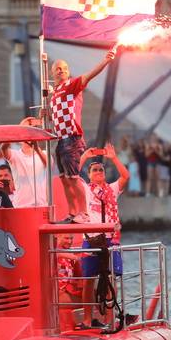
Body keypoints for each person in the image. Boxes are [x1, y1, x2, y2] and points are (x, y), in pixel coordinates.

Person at [47, 49, 117, 222]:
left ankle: (83, 212)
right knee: (64, 179)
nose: (60, 70)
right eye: (57, 68)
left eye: (64, 68)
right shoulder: (55, 93)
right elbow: (57, 116)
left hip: (73, 138)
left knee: (74, 177)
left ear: (68, 71)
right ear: (52, 72)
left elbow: (89, 75)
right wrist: (45, 115)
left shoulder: (72, 85)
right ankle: (72, 212)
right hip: (61, 140)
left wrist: (105, 61)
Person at [78, 143, 129, 329]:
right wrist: (84, 156)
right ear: (89, 174)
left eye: (101, 169)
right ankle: (86, 319)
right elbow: (72, 175)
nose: (98, 172)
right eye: (94, 170)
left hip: (110, 239)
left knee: (110, 279)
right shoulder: (85, 189)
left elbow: (126, 176)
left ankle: (109, 319)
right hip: (90, 239)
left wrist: (113, 158)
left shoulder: (113, 189)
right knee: (88, 280)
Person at [0, 117, 48, 208]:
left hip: (41, 206)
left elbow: (49, 164)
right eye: (26, 133)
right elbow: (3, 148)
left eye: (31, 133)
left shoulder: (44, 154)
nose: (28, 136)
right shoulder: (15, 155)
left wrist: (37, 148)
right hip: (21, 206)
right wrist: (19, 130)